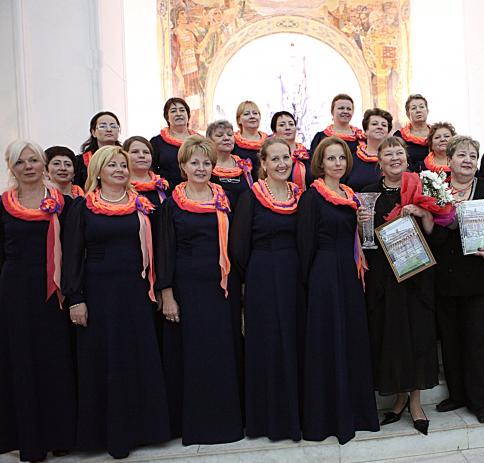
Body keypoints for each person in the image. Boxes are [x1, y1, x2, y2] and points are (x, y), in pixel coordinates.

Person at [62, 146, 170, 459]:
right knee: (104, 361)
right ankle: (108, 434)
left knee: (136, 358)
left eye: (123, 165)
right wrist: (76, 299)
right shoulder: (82, 208)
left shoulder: (141, 204)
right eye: (113, 165)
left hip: (135, 294)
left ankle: (143, 430)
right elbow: (71, 256)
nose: (121, 169)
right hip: (98, 295)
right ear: (98, 170)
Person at [156, 135, 244, 445]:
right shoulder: (172, 204)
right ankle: (196, 425)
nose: (202, 167)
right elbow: (164, 250)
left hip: (223, 287)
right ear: (182, 166)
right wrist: (167, 294)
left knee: (224, 350)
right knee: (194, 353)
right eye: (195, 162)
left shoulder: (223, 198)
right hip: (188, 287)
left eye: (207, 162)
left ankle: (227, 423)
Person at [296, 136, 379, 444]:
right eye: (331, 158)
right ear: (321, 163)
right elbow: (305, 245)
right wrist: (310, 284)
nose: (337, 163)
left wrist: (360, 223)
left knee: (351, 340)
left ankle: (356, 413)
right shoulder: (312, 197)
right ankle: (328, 418)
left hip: (348, 273)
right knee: (329, 341)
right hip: (324, 276)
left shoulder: (349, 194)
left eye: (341, 158)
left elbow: (356, 237)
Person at [431, 136, 484, 424]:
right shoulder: (436, 190)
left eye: (472, 156)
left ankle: (480, 401)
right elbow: (431, 235)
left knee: (478, 342)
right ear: (450, 160)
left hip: (481, 281)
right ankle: (456, 395)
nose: (467, 160)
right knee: (452, 342)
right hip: (445, 280)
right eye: (462, 155)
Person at [357, 137, 440, 435]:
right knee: (389, 335)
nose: (394, 157)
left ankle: (416, 401)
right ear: (378, 161)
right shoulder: (368, 194)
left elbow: (435, 229)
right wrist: (359, 221)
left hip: (416, 273)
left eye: (399, 153)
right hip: (383, 276)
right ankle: (398, 397)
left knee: (418, 334)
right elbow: (363, 239)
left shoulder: (422, 187)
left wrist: (421, 212)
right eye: (387, 153)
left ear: (406, 159)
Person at [0, 141, 76, 462]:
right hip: (15, 291)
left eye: (34, 160)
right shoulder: (2, 204)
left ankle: (60, 436)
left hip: (53, 292)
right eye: (21, 162)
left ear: (43, 164)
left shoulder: (65, 203)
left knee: (55, 359)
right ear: (12, 168)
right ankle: (30, 440)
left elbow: (73, 251)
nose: (28, 166)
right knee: (22, 360)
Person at [230, 137, 303, 441]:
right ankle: (266, 420)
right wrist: (253, 277)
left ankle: (293, 415)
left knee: (293, 340)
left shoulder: (300, 195)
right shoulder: (250, 197)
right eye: (274, 159)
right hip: (262, 274)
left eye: (285, 157)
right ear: (262, 164)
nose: (281, 164)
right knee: (267, 343)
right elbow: (238, 246)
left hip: (293, 276)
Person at [150, 97, 198, 190]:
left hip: (196, 190)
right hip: (167, 191)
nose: (178, 114)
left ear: (188, 115)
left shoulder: (199, 140)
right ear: (167, 117)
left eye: (182, 110)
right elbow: (151, 169)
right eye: (173, 111)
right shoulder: (157, 142)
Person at [207, 119, 253, 207]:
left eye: (230, 134)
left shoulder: (243, 165)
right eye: (220, 135)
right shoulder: (204, 166)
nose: (226, 138)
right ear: (209, 141)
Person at [345, 108, 392, 191]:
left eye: (384, 125)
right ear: (366, 130)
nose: (380, 127)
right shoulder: (351, 159)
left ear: (388, 132)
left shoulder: (396, 158)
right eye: (374, 124)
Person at [309, 93, 364, 159]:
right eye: (341, 108)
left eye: (349, 109)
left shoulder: (361, 138)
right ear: (332, 111)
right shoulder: (320, 138)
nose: (345, 111)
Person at [76, 111, 122, 188]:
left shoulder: (126, 156)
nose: (109, 130)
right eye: (103, 126)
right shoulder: (80, 162)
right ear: (93, 132)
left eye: (113, 126)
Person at [124, 136, 169, 209]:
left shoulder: (164, 185)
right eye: (135, 152)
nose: (142, 156)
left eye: (146, 152)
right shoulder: (120, 186)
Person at [271, 111, 310, 191]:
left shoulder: (308, 155)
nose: (288, 128)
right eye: (282, 125)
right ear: (274, 132)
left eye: (291, 124)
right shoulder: (271, 157)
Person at [393, 94, 430, 169]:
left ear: (427, 111)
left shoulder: (437, 134)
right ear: (407, 114)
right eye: (413, 108)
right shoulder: (399, 137)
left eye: (422, 107)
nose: (418, 110)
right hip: (409, 177)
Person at [232, 100, 268, 177]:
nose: (252, 116)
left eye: (255, 113)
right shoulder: (231, 142)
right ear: (239, 120)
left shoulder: (269, 141)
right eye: (246, 114)